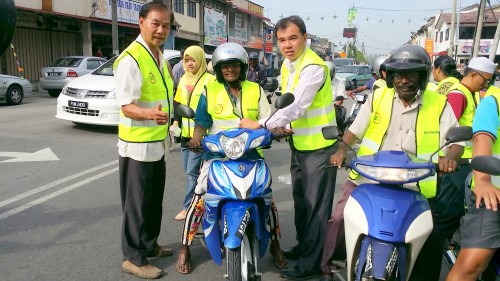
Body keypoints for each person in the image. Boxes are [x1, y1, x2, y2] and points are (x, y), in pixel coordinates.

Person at [319, 44, 465, 281]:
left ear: (423, 74)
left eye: (411, 74)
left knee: (430, 238)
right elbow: (354, 131)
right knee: (339, 217)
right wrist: (341, 150)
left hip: (415, 185)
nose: (404, 80)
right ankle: (330, 266)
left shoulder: (438, 103)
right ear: (391, 76)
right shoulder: (378, 97)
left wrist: (449, 158)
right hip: (370, 179)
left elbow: (456, 141)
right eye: (398, 74)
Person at [174, 42, 288, 275]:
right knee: (199, 200)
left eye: (235, 65)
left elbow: (267, 120)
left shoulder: (255, 90)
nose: (230, 70)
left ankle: (276, 244)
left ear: (243, 66)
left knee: (268, 199)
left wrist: (275, 131)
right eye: (225, 66)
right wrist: (196, 139)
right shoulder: (210, 90)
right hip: (217, 156)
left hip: (251, 154)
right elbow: (202, 122)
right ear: (217, 68)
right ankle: (184, 247)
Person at [240, 15, 338, 279]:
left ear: (306, 38)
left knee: (316, 208)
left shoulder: (314, 67)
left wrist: (262, 125)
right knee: (302, 203)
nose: (287, 44)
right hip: (300, 143)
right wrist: (280, 126)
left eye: (293, 38)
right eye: (282, 40)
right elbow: (285, 103)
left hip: (319, 146)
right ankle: (305, 248)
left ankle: (313, 264)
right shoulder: (288, 65)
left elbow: (297, 106)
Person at [113, 2, 174, 279]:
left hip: (157, 143)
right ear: (141, 22)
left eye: (166, 25)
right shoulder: (132, 59)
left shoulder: (158, 55)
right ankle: (134, 258)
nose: (161, 30)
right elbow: (126, 106)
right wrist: (150, 114)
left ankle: (149, 244)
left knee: (153, 201)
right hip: (137, 145)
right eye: (155, 23)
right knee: (136, 205)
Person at [446, 74, 500, 281]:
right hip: (493, 193)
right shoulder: (493, 101)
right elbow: (483, 139)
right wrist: (484, 181)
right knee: (470, 266)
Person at [435, 57, 496, 240]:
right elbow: (447, 129)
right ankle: (438, 243)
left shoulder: (471, 93)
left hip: (466, 160)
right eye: (485, 80)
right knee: (452, 207)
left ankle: (442, 240)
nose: (486, 84)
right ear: (474, 75)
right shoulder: (458, 95)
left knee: (453, 206)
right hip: (457, 160)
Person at [170, 45, 215, 221]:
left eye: (193, 60)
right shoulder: (183, 80)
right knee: (190, 172)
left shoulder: (210, 81)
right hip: (184, 134)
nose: (189, 63)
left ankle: (188, 207)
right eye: (186, 60)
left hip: (200, 136)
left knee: (191, 172)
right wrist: (175, 122)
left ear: (201, 60)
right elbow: (178, 104)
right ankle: (203, 201)